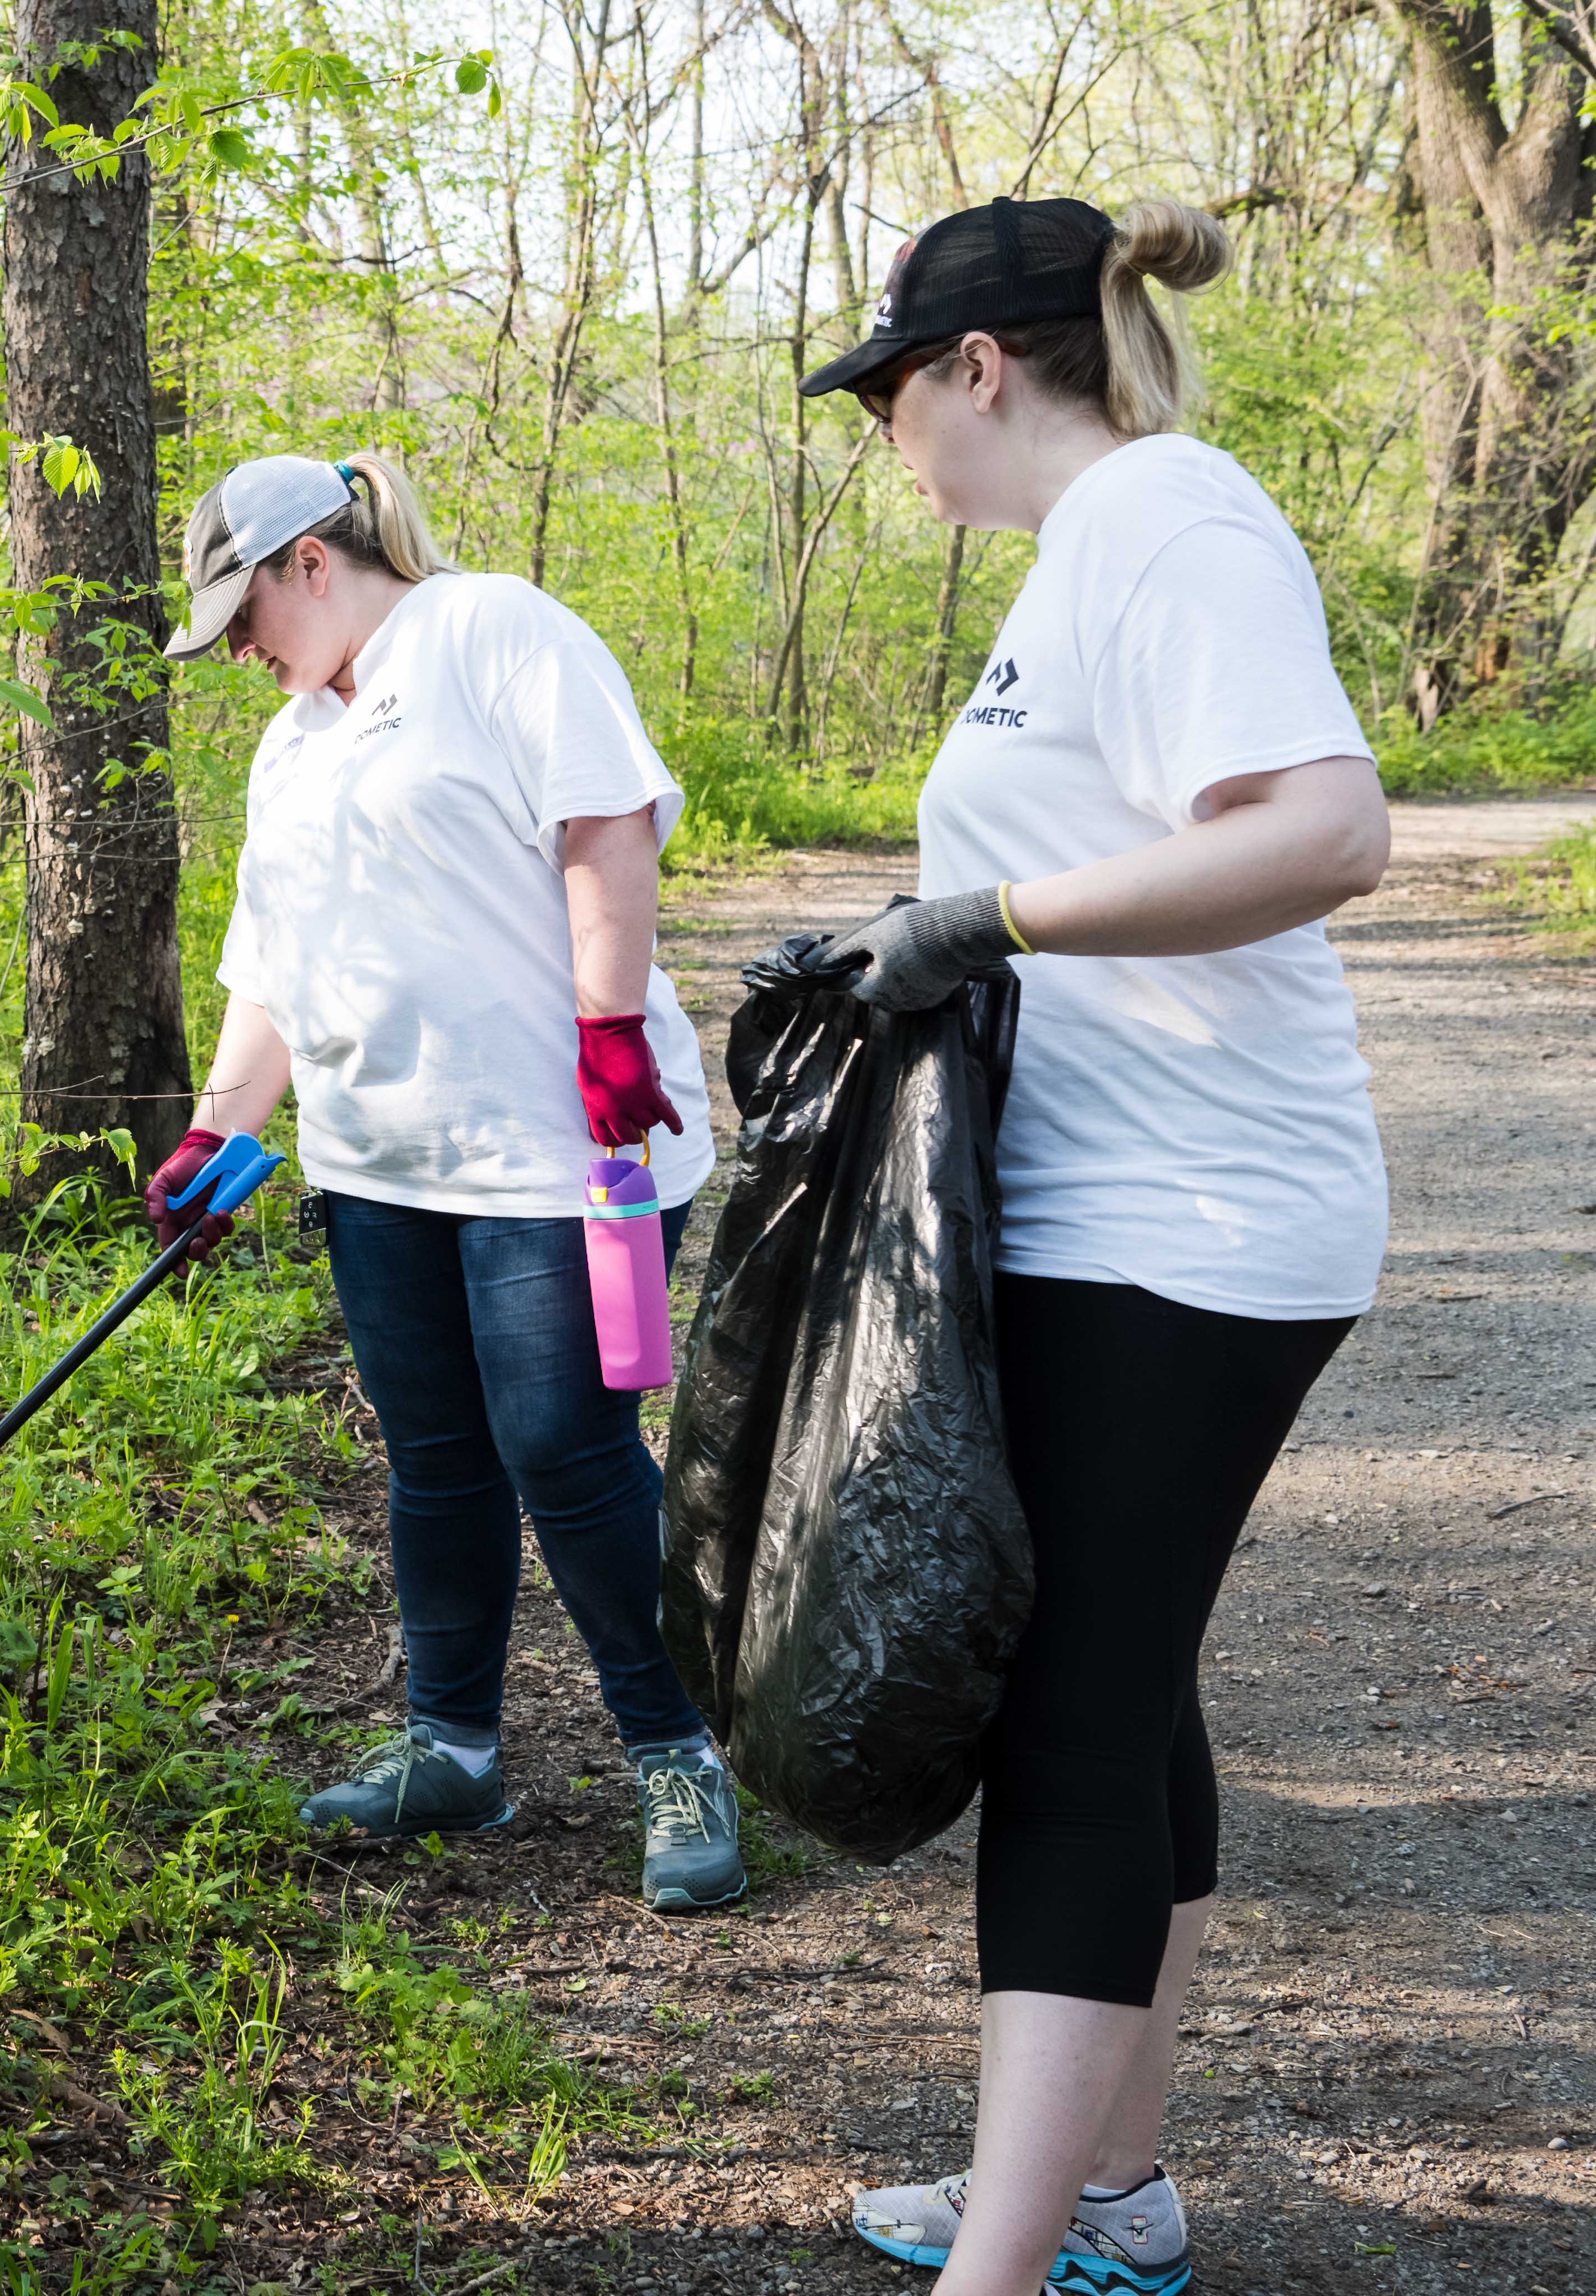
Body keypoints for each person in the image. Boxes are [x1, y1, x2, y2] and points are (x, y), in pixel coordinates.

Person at [794, 197, 1388, 2296]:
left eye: (886, 393)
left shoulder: (1168, 512)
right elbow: (1103, 846)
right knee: (1124, 1698)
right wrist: (919, 928)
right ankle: (1110, 2199)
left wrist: (991, 920)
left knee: (1066, 1725)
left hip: (1193, 1226)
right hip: (1106, 1213)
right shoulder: (1087, 558)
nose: (886, 439)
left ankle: (1011, 2266)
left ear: (978, 368)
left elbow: (1327, 830)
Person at [153, 449, 747, 1913]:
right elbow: (269, 974)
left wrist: (612, 1041)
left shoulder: (491, 630)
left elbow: (605, 828)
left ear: (313, 562)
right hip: (379, 1161)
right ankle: (454, 1749)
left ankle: (677, 1754)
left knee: (563, 1441)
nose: (237, 646)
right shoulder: (291, 743)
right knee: (435, 1457)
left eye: (246, 610)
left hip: (561, 1146)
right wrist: (218, 1134)